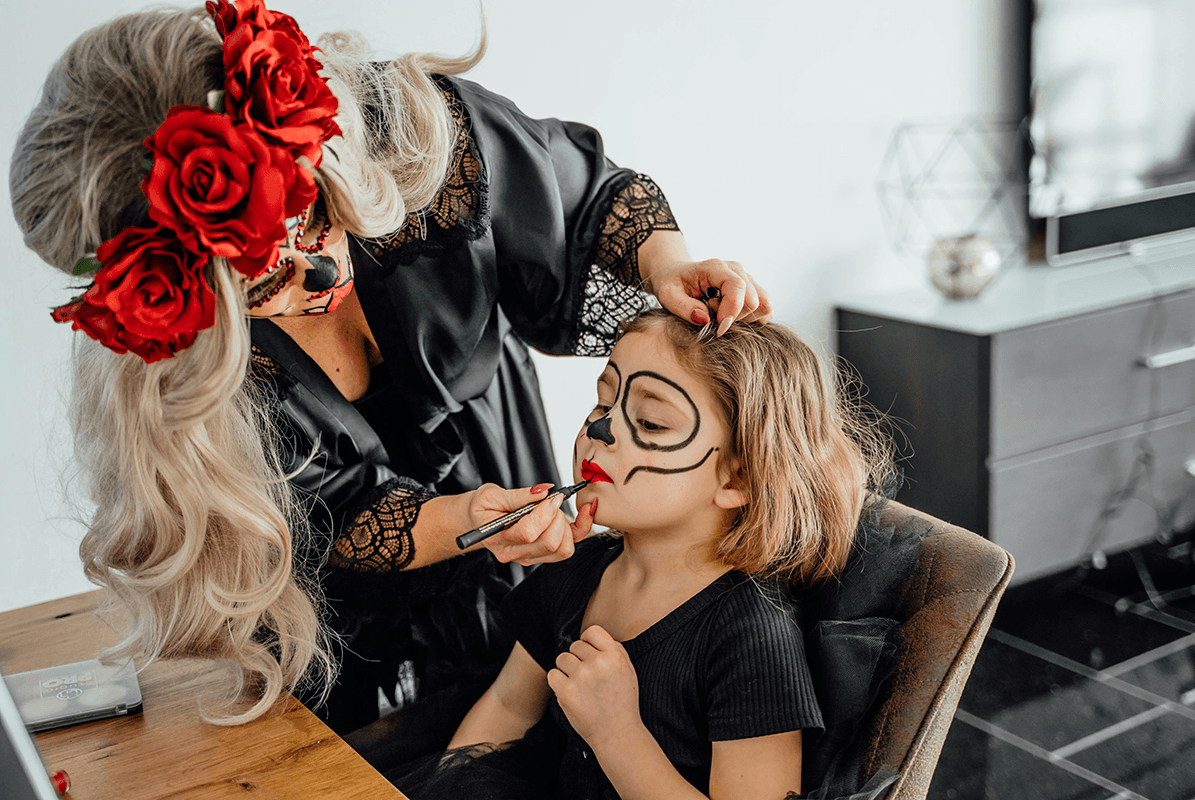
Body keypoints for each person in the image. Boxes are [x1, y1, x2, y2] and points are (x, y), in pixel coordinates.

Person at [8, 0, 774, 733]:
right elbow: (329, 515)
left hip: (504, 494)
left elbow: (580, 200)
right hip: (336, 627)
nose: (319, 274)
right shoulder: (191, 369)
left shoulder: (419, 140)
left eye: (314, 214)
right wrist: (463, 521)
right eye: (265, 282)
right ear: (181, 306)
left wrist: (669, 262)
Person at [399, 307, 893, 799]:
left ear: (738, 478)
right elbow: (507, 708)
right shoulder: (572, 570)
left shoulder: (752, 636)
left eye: (652, 423)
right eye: (602, 403)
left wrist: (616, 733)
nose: (600, 431)